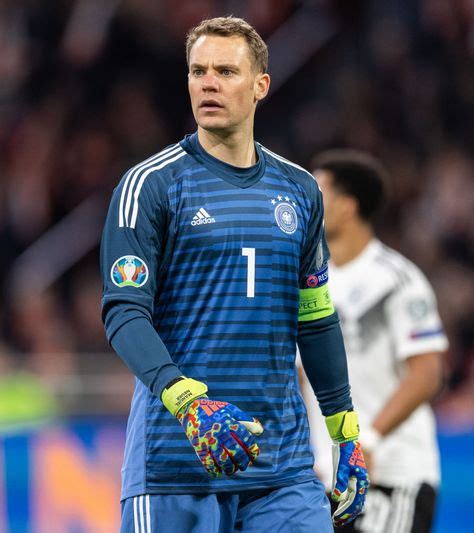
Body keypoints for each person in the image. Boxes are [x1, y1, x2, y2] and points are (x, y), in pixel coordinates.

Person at [101, 17, 368, 532]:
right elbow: (123, 312)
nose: (208, 83)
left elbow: (314, 318)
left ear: (260, 85)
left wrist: (345, 432)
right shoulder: (150, 186)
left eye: (226, 70)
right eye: (198, 71)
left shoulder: (299, 191)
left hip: (282, 469)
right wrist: (189, 404)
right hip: (174, 466)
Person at [298, 149, 448, 533]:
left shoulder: (396, 281)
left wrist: (373, 440)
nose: (306, 201)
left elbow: (427, 371)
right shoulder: (308, 280)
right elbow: (301, 377)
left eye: (319, 192)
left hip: (391, 475)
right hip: (325, 477)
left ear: (347, 207)